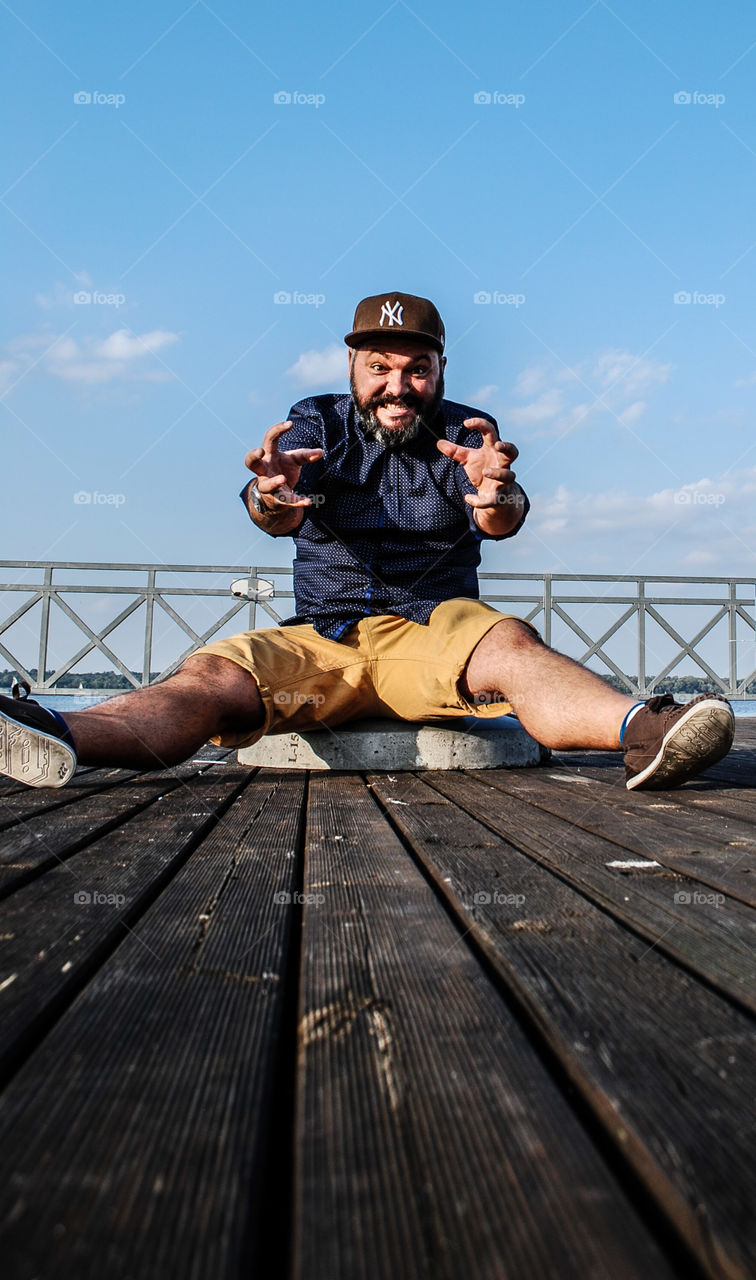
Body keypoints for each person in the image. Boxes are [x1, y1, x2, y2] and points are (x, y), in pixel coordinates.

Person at [0, 291, 735, 791]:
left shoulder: (466, 430)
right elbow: (277, 511)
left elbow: (499, 517)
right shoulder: (315, 420)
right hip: (323, 642)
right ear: (352, 366)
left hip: (435, 635)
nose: (397, 384)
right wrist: (272, 493)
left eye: (416, 368)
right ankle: (50, 729)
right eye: (379, 366)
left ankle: (647, 731)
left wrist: (497, 490)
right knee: (211, 681)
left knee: (510, 647)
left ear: (440, 371)